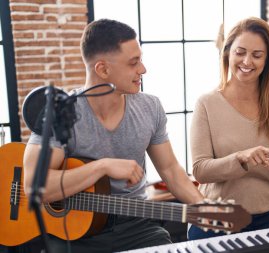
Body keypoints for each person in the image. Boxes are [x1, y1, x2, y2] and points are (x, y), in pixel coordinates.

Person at [23, 19, 204, 252]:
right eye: (133, 63)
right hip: (75, 233)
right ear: (103, 69)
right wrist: (102, 167)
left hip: (136, 227)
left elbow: (170, 170)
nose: (143, 69)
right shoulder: (62, 113)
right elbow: (33, 186)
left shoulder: (150, 107)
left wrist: (205, 209)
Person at [188, 17, 269, 240]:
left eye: (257, 55)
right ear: (227, 53)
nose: (247, 61)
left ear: (267, 60)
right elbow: (200, 170)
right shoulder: (206, 104)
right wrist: (241, 158)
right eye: (240, 52)